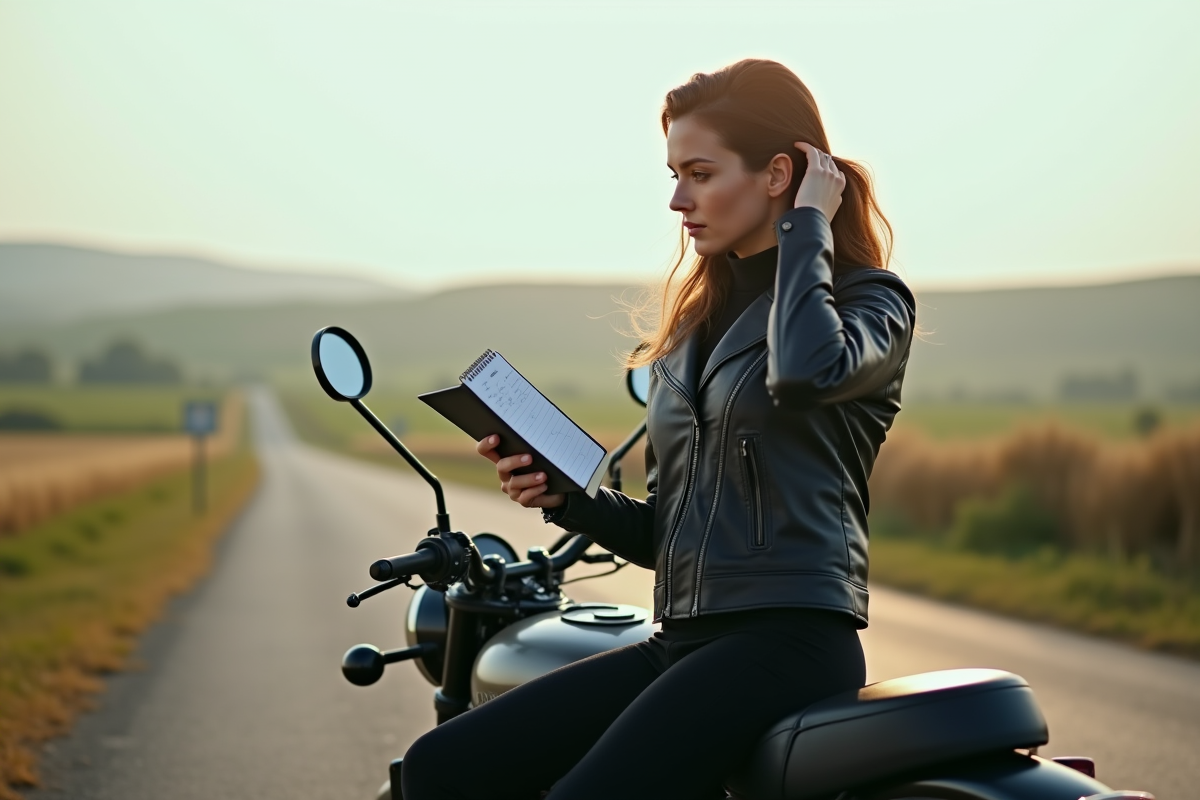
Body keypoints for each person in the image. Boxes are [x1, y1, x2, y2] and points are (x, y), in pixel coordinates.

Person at [401, 58, 916, 800]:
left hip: (789, 644)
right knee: (441, 765)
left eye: (701, 173)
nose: (678, 199)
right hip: (679, 640)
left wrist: (808, 224)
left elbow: (805, 371)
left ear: (779, 175)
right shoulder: (692, 334)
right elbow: (671, 536)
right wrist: (565, 498)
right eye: (673, 174)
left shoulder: (870, 304)